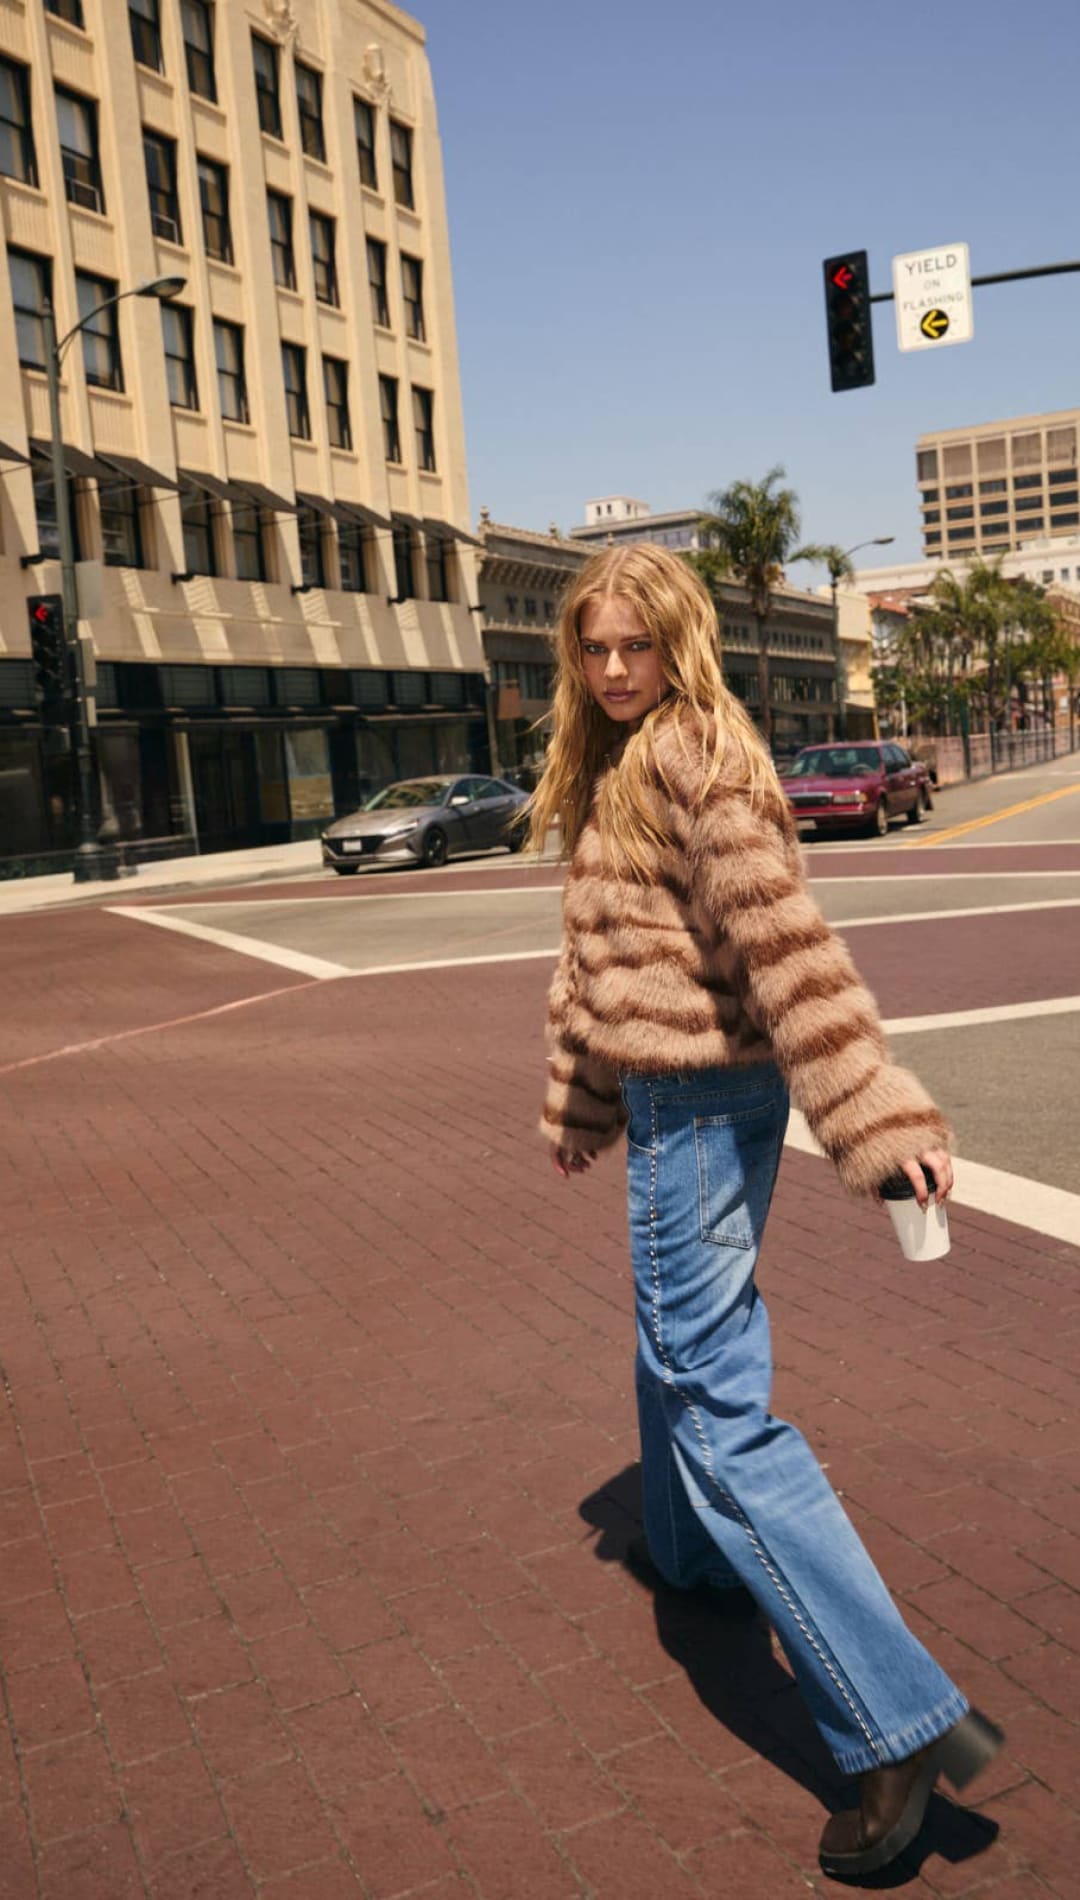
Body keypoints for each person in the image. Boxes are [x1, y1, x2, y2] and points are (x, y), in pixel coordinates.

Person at [528, 544, 1002, 1881]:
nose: (616, 669)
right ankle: (692, 1561)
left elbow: (789, 949)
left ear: (681, 644)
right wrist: (580, 1101)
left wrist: (882, 1116)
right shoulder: (617, 760)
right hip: (676, 1103)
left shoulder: (695, 759)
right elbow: (602, 963)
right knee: (676, 1348)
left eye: (637, 645)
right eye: (595, 648)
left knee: (714, 1396)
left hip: (702, 1109)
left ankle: (894, 1721)